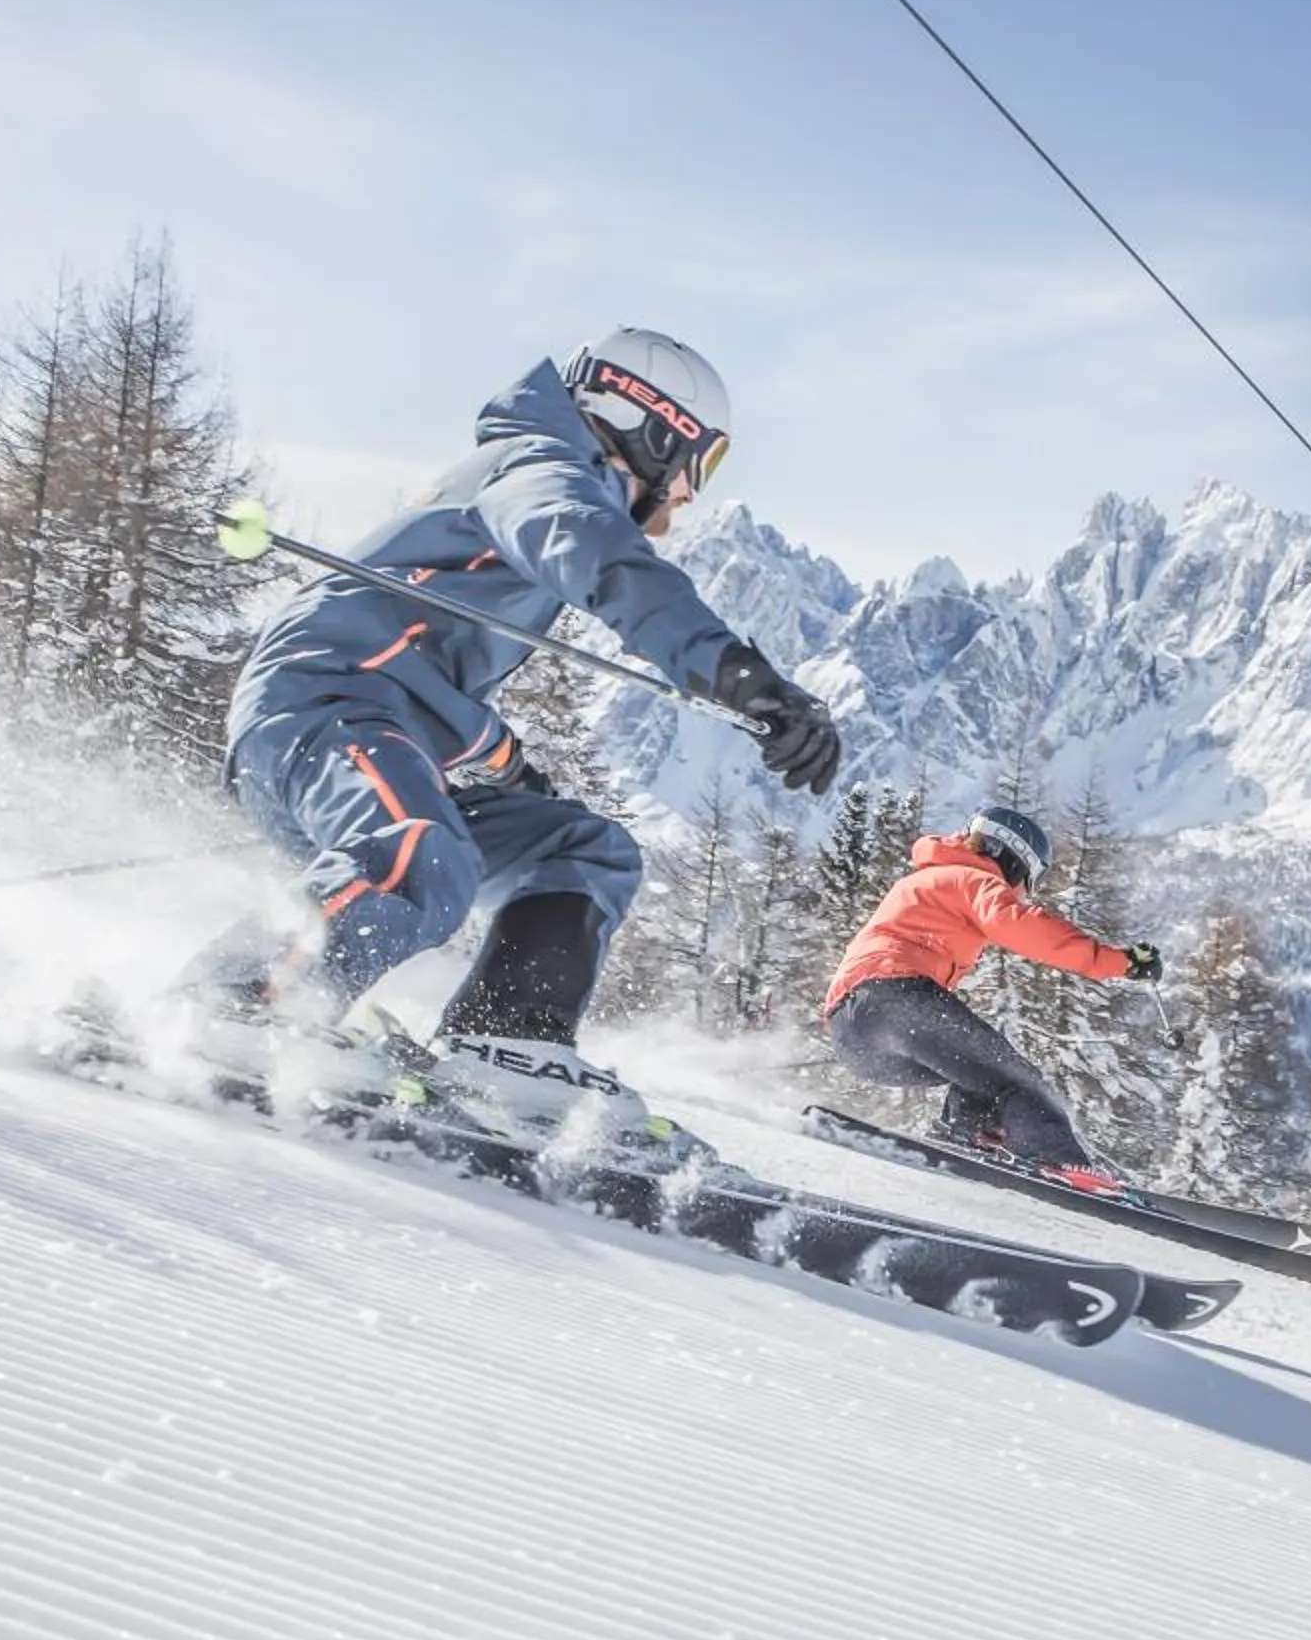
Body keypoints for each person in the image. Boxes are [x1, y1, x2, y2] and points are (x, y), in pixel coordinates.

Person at [195, 330, 841, 1139]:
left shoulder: (533, 481)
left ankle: (508, 1042)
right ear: (650, 426)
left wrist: (506, 766)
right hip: (321, 707)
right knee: (421, 847)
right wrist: (739, 676)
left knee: (581, 848)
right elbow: (605, 565)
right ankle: (238, 999)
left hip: (375, 719)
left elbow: (425, 661)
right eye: (696, 465)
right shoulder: (545, 476)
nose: (685, 496)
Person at [821, 805, 1161, 1186]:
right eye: (1027, 883)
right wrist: (1119, 962)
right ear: (1012, 860)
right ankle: (1063, 1164)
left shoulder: (928, 879)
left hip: (854, 1032)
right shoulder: (971, 878)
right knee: (1019, 1081)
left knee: (979, 1075)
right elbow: (1020, 925)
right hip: (895, 998)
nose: (1020, 894)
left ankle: (966, 1140)